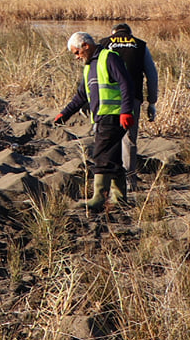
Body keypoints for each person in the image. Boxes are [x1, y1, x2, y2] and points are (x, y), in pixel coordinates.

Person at [52, 31, 138, 212]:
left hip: (113, 116)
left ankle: (98, 198)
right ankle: (120, 198)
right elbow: (81, 96)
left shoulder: (109, 58)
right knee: (112, 157)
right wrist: (64, 114)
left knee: (101, 155)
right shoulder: (89, 66)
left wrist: (126, 111)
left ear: (86, 46)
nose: (76, 57)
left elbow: (126, 84)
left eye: (77, 52)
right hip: (101, 118)